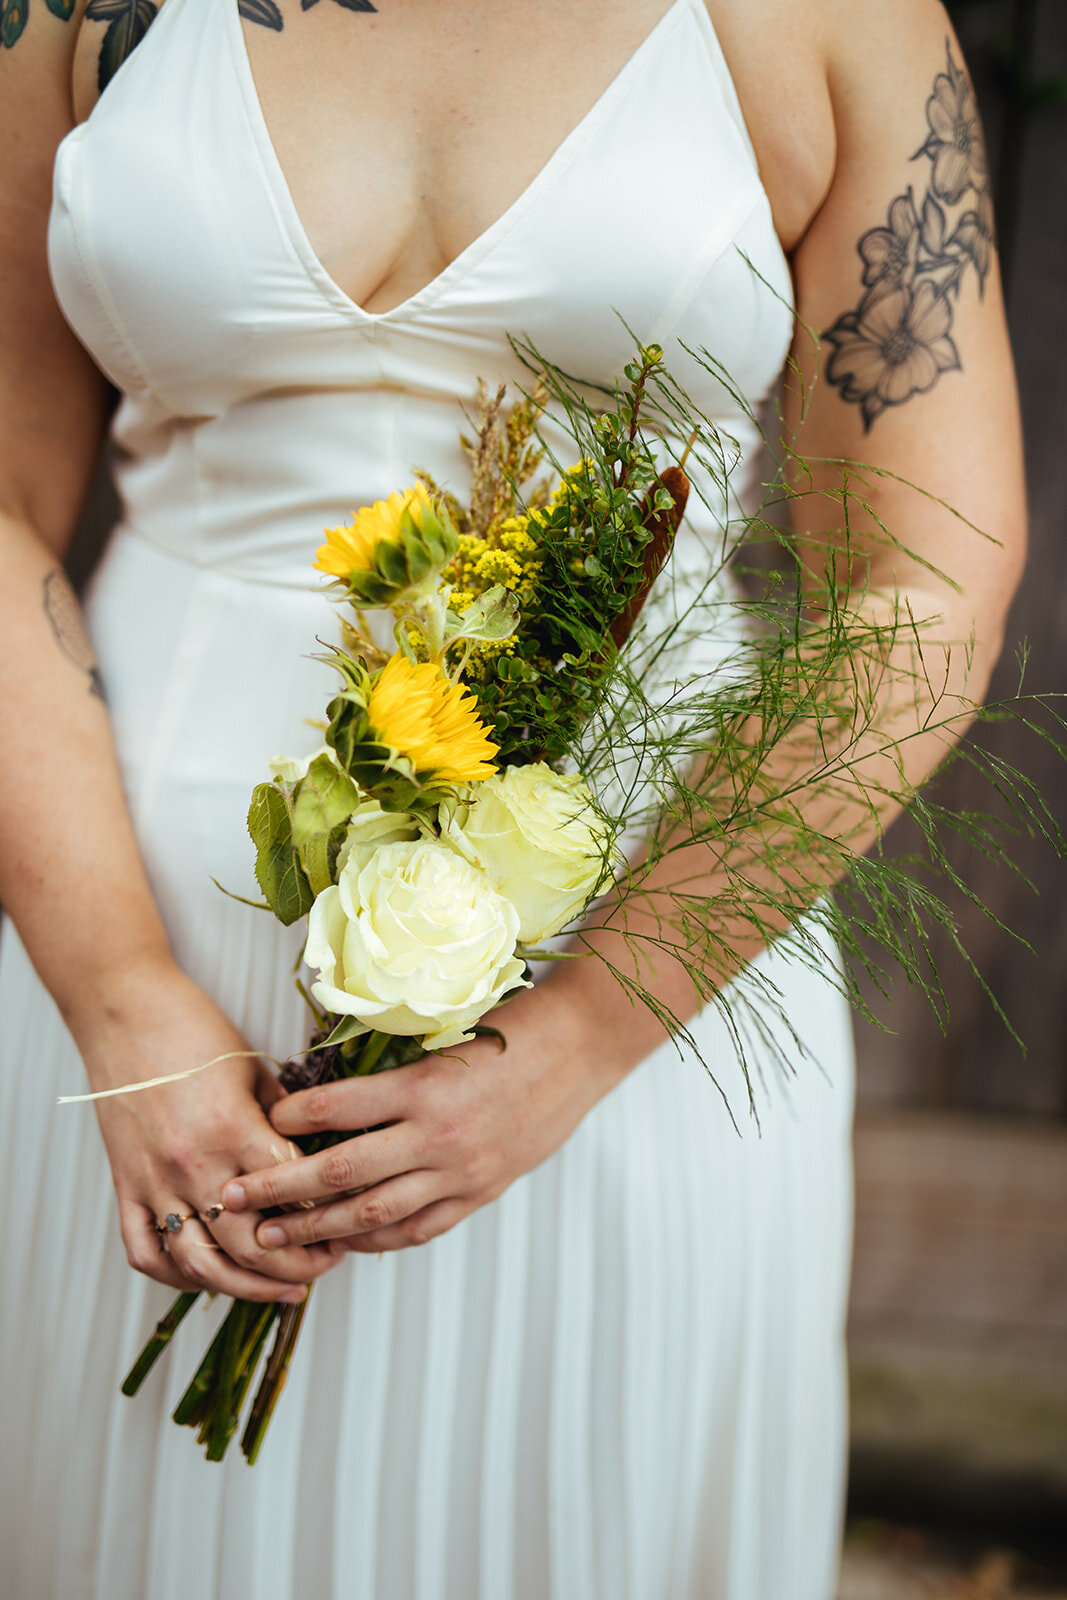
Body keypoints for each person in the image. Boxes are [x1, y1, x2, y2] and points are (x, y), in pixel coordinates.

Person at [0, 1, 1024, 1597]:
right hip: (122, 967)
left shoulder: (835, 19)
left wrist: (575, 1043)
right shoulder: (70, 17)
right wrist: (118, 995)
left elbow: (925, 582)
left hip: (639, 1000)